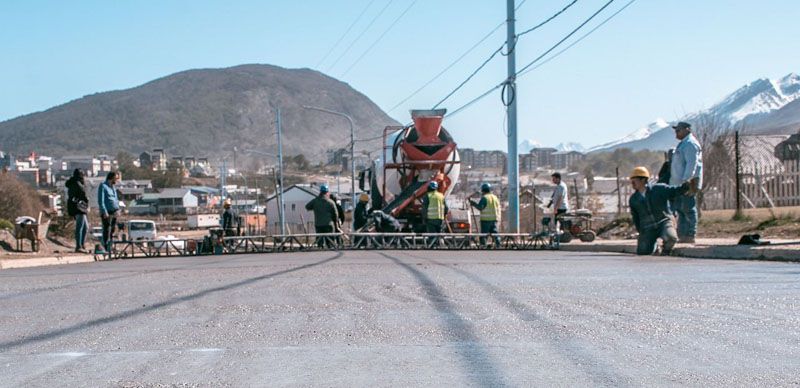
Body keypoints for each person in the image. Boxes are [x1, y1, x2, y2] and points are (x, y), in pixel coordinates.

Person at [628, 166, 697, 255]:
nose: (632, 183)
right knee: (643, 251)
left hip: (664, 222)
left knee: (671, 238)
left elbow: (674, 191)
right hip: (648, 228)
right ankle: (655, 247)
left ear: (643, 180)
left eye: (634, 180)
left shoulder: (658, 189)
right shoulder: (634, 199)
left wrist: (687, 186)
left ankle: (665, 251)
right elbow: (636, 218)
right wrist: (641, 233)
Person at [669, 121, 703, 243]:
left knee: (688, 208)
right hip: (678, 184)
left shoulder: (690, 144)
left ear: (687, 130)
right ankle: (682, 235)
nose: (676, 133)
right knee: (681, 210)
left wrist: (687, 181)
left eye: (678, 130)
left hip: (687, 183)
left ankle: (689, 234)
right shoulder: (683, 144)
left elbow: (691, 164)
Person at [65, 168, 90, 253]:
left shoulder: (73, 183)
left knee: (85, 227)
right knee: (80, 227)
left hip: (77, 207)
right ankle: (79, 246)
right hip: (79, 207)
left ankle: (82, 244)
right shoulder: (77, 184)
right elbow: (82, 195)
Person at [469, 183, 501, 247]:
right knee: (495, 234)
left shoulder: (485, 198)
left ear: (483, 190)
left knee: (484, 235)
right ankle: (498, 245)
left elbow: (480, 207)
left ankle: (483, 246)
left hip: (486, 220)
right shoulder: (495, 198)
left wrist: (473, 203)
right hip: (495, 219)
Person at [97, 171, 120, 252]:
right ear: (111, 178)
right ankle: (106, 246)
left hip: (114, 211)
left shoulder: (113, 187)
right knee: (107, 229)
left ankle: (111, 245)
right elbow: (101, 200)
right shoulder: (103, 186)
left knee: (113, 229)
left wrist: (118, 209)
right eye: (116, 178)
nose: (116, 180)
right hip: (107, 212)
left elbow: (115, 199)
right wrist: (104, 211)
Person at [421, 181, 448, 247]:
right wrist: (444, 215)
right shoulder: (441, 196)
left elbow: (424, 209)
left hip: (431, 219)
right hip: (440, 219)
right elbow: (446, 208)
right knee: (440, 234)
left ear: (429, 187)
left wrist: (424, 218)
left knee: (432, 234)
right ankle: (441, 245)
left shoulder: (428, 196)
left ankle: (432, 246)